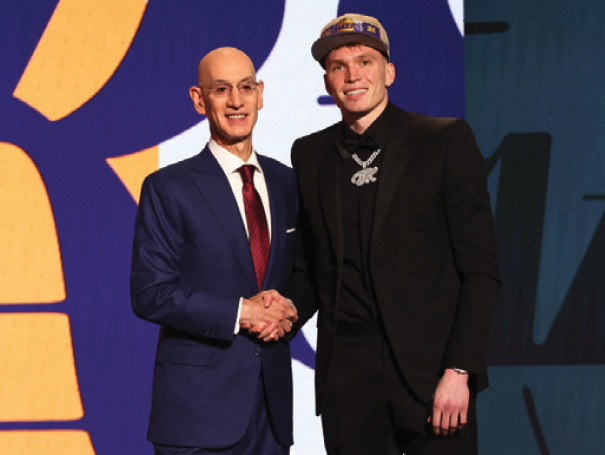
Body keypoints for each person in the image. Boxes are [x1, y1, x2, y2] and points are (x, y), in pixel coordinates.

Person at [287, 14, 501, 455]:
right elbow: (312, 267)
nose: (352, 75)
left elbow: (480, 271)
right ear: (327, 80)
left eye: (364, 61)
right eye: (338, 66)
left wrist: (460, 371)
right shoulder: (310, 154)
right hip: (347, 377)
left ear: (389, 71)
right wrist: (282, 309)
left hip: (433, 373)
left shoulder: (444, 140)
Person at [131, 47, 298, 455]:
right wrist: (243, 312)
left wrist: (291, 308)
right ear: (198, 99)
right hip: (196, 416)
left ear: (260, 93)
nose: (236, 101)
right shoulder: (168, 187)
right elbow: (150, 293)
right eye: (221, 89)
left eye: (245, 87)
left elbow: (301, 275)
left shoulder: (288, 182)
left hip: (271, 413)